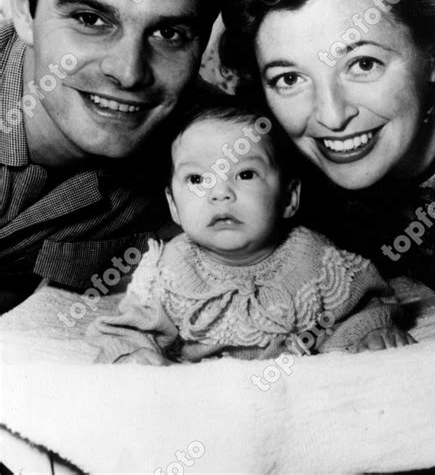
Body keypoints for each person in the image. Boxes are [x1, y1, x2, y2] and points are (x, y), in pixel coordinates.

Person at [0, 0, 234, 313]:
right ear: (24, 7)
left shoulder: (217, 145)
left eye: (169, 34)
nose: (128, 73)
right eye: (90, 19)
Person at [219, 0, 435, 295]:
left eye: (363, 64)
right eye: (289, 79)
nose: (332, 116)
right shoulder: (277, 183)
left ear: (434, 53)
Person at [87, 98, 413, 365]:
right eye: (197, 180)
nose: (220, 193)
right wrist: (131, 354)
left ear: (288, 198)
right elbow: (133, 327)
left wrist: (366, 336)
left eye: (244, 174)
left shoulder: (318, 262)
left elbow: (366, 308)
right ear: (173, 206)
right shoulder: (170, 270)